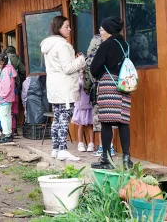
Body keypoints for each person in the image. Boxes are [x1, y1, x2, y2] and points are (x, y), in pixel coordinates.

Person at [90, 16, 133, 169]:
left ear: (108, 30)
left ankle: (106, 160)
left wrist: (100, 75)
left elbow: (94, 68)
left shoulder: (106, 45)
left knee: (106, 122)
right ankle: (127, 159)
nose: (101, 32)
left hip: (109, 84)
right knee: (123, 122)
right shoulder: (125, 45)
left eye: (102, 29)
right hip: (124, 84)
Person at [40, 15, 86, 161]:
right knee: (64, 119)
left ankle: (55, 148)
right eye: (66, 26)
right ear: (58, 28)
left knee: (57, 118)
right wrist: (81, 60)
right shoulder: (63, 45)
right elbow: (68, 68)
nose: (69, 29)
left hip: (54, 87)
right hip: (65, 88)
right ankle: (63, 150)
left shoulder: (48, 45)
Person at [82, 35, 116, 157]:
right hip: (113, 92)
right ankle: (111, 147)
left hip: (98, 92)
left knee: (99, 119)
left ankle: (103, 147)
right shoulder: (112, 57)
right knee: (111, 118)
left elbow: (87, 79)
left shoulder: (90, 60)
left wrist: (87, 89)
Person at [0, 53, 17, 143]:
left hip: (4, 97)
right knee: (7, 115)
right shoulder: (9, 68)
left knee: (3, 116)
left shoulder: (5, 70)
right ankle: (8, 133)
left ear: (1, 62)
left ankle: (6, 133)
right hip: (10, 96)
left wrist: (2, 95)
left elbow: (6, 85)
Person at [73, 71, 95, 152]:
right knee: (81, 124)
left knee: (90, 124)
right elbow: (76, 87)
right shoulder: (77, 76)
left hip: (89, 103)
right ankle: (80, 143)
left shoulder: (90, 74)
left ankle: (91, 144)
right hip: (81, 103)